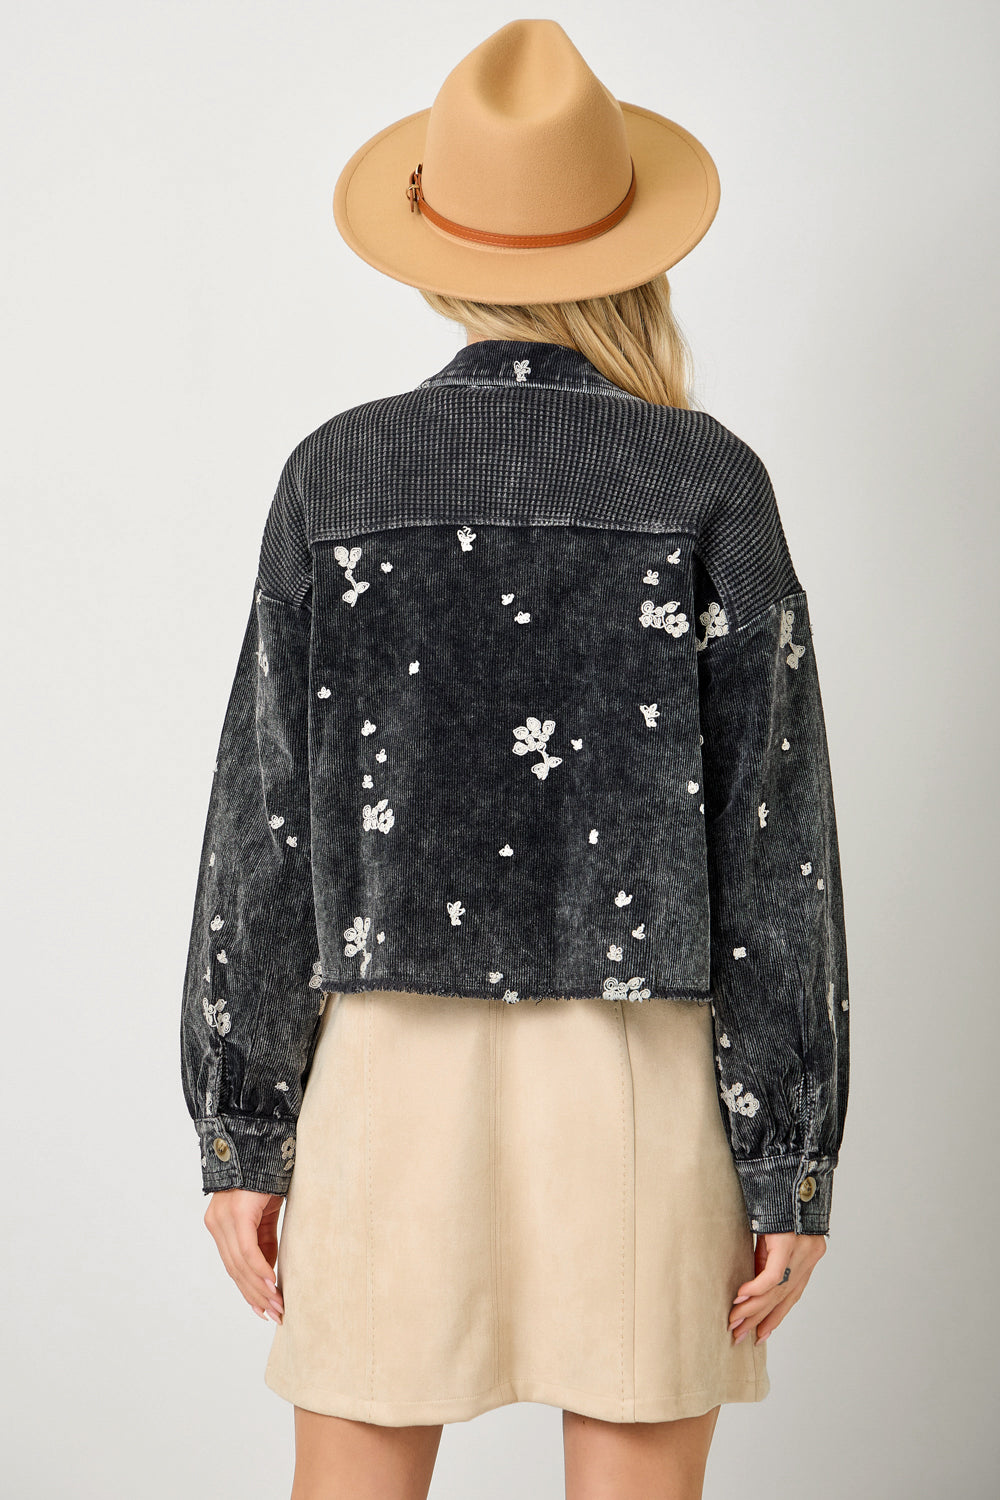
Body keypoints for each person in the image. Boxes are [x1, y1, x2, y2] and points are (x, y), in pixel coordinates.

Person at [179, 19, 850, 1500]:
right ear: (633, 245)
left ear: (441, 253)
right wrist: (790, 1152)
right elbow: (775, 847)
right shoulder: (709, 478)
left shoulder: (338, 472)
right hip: (641, 1078)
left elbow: (263, 829)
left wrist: (243, 1130)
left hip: (384, 1070)